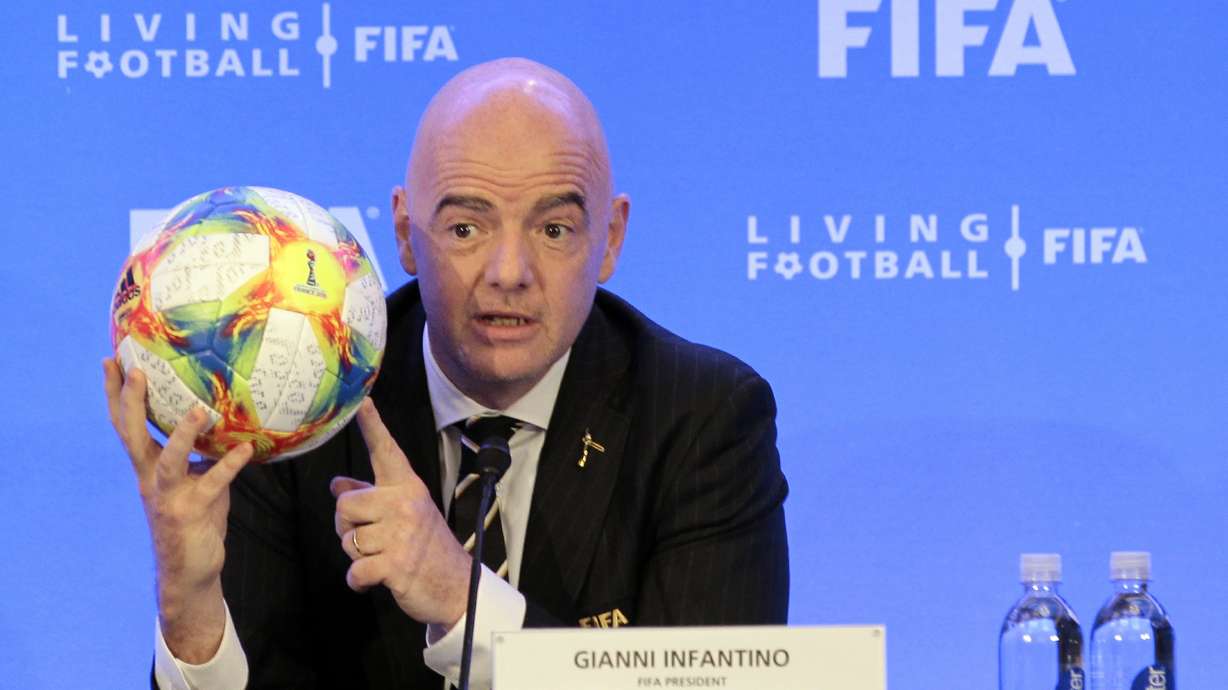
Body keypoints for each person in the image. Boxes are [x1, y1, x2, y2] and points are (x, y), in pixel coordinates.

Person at [103, 58, 789, 689]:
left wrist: (462, 600)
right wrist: (189, 607)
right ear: (404, 233)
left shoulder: (705, 417)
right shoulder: (292, 397)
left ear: (609, 239)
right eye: (466, 229)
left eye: (554, 230)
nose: (509, 275)